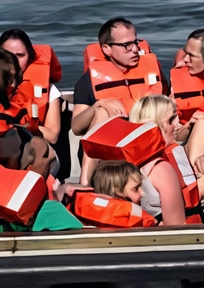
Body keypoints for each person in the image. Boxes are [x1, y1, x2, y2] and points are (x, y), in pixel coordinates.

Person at [72, 17, 169, 184]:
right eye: (126, 45)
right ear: (107, 49)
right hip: (107, 150)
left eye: (136, 42)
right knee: (102, 111)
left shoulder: (154, 72)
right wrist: (99, 104)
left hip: (143, 142)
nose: (134, 50)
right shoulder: (88, 80)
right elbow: (76, 127)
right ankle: (85, 185)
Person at [130, 94, 204, 212]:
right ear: (155, 124)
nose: (177, 122)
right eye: (172, 119)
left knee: (203, 122)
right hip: (185, 218)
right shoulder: (162, 162)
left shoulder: (140, 153)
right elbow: (193, 195)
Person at [0, 29, 62, 144]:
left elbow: (52, 136)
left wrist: (16, 122)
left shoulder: (50, 90)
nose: (14, 60)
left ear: (30, 56)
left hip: (33, 147)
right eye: (8, 55)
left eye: (20, 55)